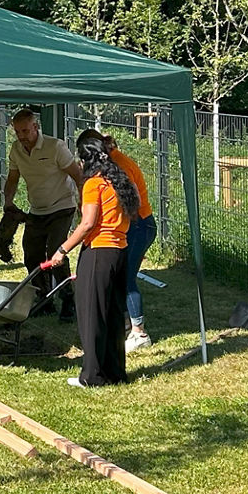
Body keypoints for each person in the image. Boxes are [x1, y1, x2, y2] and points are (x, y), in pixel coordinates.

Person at [48, 130, 140, 387]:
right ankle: (115, 372)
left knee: (91, 316)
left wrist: (62, 250)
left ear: (84, 160)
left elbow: (87, 224)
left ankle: (92, 376)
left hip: (98, 253)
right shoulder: (119, 178)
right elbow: (136, 206)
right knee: (112, 315)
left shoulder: (94, 184)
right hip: (120, 252)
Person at [3, 109, 83, 320]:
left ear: (36, 127)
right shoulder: (16, 149)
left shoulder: (55, 146)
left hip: (62, 206)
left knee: (57, 252)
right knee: (31, 254)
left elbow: (77, 175)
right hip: (37, 210)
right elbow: (12, 179)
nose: (21, 136)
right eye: (17, 131)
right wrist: (8, 203)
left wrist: (84, 203)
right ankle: (44, 299)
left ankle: (68, 301)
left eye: (25, 131)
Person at [97, 133, 157, 351]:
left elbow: (134, 200)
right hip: (137, 226)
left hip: (140, 225)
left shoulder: (119, 164)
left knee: (126, 279)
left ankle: (140, 334)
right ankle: (125, 324)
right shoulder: (113, 161)